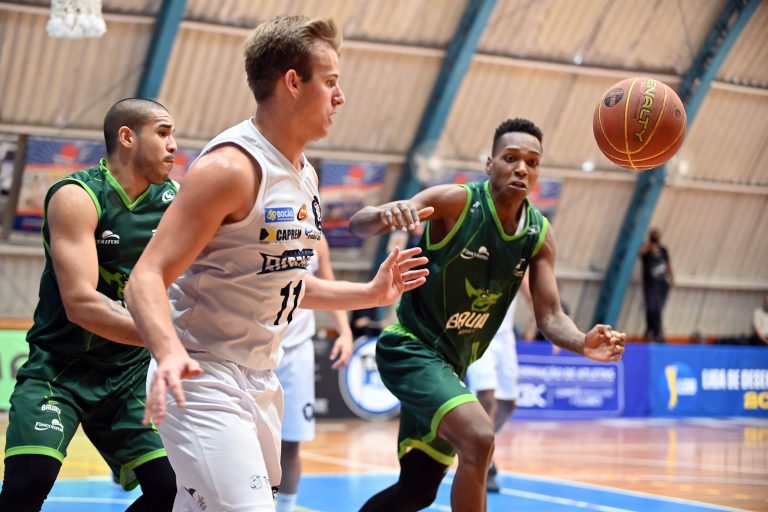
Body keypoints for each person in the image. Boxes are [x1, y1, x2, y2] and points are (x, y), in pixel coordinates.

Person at [123, 15, 429, 511]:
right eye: (330, 81)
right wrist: (169, 352)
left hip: (262, 378)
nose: (340, 97)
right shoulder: (231, 168)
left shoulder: (304, 175)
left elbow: (284, 280)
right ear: (293, 82)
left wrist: (371, 294)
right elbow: (145, 277)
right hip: (204, 374)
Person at [349, 117, 626, 512]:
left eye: (532, 162)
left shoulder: (538, 234)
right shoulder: (455, 202)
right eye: (511, 158)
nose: (522, 168)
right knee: (479, 438)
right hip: (410, 349)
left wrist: (582, 342)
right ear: (490, 164)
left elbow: (550, 315)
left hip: (451, 366)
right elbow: (358, 225)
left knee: (418, 490)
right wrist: (386, 213)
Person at [0, 98, 179, 511]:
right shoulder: (77, 196)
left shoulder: (177, 202)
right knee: (28, 483)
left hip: (129, 377)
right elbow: (81, 303)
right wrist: (169, 341)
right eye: (163, 133)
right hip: (60, 371)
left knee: (176, 489)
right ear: (127, 137)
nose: (173, 145)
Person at [274, 235, 354, 512]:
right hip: (253, 349)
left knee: (290, 443)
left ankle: (284, 508)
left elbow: (328, 285)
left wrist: (345, 331)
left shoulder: (316, 238)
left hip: (296, 351)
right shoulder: (256, 225)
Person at [464, 275, 533, 493]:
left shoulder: (518, 257)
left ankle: (475, 446)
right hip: (475, 331)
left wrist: (541, 319)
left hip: (504, 337)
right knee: (486, 398)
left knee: (508, 403)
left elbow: (532, 292)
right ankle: (483, 461)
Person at [639, 227, 674, 342]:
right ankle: (650, 330)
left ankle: (657, 332)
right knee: (651, 307)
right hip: (650, 284)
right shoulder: (646, 249)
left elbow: (668, 263)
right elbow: (641, 253)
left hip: (662, 283)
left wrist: (671, 277)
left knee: (658, 308)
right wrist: (650, 246)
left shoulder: (663, 249)